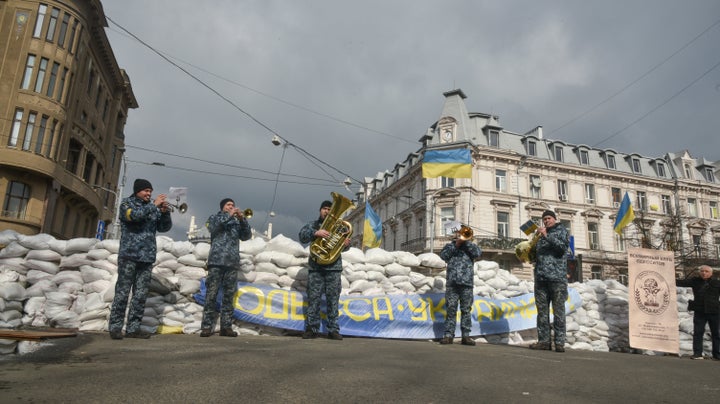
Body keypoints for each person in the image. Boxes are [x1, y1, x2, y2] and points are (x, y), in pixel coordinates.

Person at [109, 179, 172, 339]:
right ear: (137, 190)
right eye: (146, 191)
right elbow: (134, 217)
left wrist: (165, 213)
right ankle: (115, 327)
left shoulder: (153, 208)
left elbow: (164, 228)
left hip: (147, 257)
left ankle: (133, 328)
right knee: (123, 292)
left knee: (141, 294)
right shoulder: (127, 204)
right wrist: (154, 205)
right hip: (129, 255)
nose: (149, 194)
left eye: (150, 191)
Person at [200, 198, 252, 337]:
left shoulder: (236, 221)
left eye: (233, 205)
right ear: (223, 207)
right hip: (216, 261)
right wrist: (229, 215)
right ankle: (206, 327)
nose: (232, 207)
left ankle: (226, 327)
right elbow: (212, 228)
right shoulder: (214, 217)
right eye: (229, 205)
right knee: (211, 294)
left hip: (232, 263)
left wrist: (242, 219)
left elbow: (247, 236)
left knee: (229, 296)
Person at [298, 200, 349, 340]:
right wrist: (316, 233)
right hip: (316, 268)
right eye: (324, 209)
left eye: (329, 209)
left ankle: (333, 329)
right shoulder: (312, 225)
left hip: (333, 268)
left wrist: (345, 244)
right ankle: (311, 328)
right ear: (320, 210)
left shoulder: (339, 227)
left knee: (333, 299)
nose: (326, 211)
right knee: (313, 299)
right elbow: (302, 236)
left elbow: (344, 246)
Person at [529, 210, 570, 352]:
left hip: (557, 278)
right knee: (542, 312)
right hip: (541, 278)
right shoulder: (540, 235)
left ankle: (559, 342)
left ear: (554, 219)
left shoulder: (561, 230)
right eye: (544, 219)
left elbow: (562, 248)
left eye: (549, 218)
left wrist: (546, 236)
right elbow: (537, 254)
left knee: (558, 311)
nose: (546, 221)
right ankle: (544, 341)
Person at [439, 225, 482, 346]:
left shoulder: (470, 247)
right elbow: (443, 256)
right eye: (460, 233)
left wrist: (466, 243)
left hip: (466, 284)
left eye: (463, 233)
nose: (461, 235)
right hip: (452, 283)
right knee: (451, 309)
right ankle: (448, 335)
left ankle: (466, 336)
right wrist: (457, 244)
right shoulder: (450, 246)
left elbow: (478, 253)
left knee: (466, 310)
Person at [676, 265, 720, 360]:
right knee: (698, 333)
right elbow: (680, 282)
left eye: (706, 271)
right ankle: (697, 353)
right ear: (699, 272)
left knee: (716, 333)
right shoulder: (695, 281)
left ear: (711, 273)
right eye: (702, 271)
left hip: (714, 311)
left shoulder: (717, 283)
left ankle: (717, 354)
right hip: (700, 311)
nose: (704, 273)